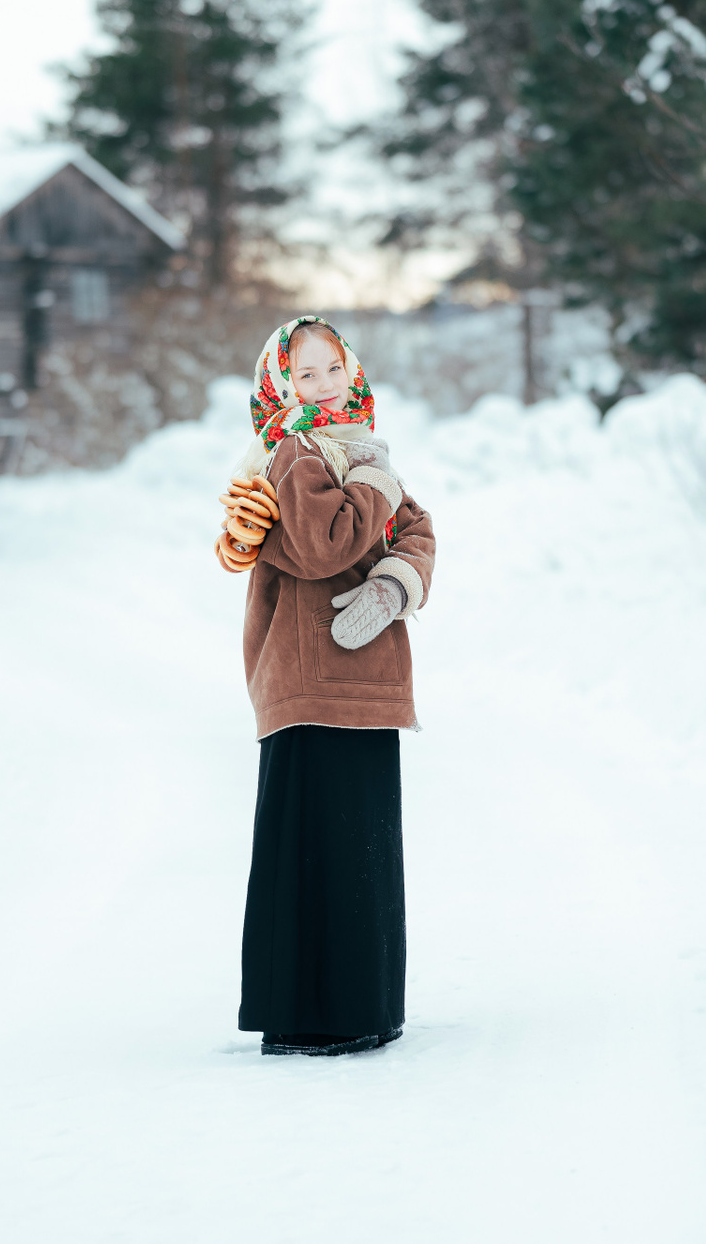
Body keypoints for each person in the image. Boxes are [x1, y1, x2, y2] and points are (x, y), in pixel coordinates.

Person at [225, 316, 436, 1057]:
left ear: (353, 371)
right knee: (314, 843)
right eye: (305, 375)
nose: (323, 387)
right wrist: (375, 483)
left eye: (333, 370)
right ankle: (309, 1015)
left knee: (362, 848)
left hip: (364, 674)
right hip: (309, 678)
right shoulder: (293, 451)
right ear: (282, 386)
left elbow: (418, 531)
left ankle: (363, 1007)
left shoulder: (357, 445)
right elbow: (322, 546)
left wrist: (393, 585)